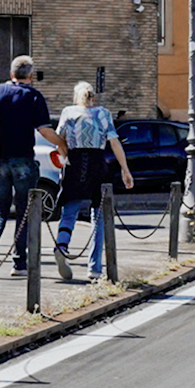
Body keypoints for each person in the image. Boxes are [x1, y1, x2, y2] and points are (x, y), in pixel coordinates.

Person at [0, 56, 66, 276]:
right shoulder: (33, 97)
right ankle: (19, 263)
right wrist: (62, 144)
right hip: (23, 160)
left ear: (11, 74)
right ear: (31, 76)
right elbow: (44, 131)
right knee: (24, 211)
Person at [53, 81, 133, 281]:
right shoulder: (103, 113)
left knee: (69, 210)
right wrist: (125, 169)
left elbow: (59, 140)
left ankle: (62, 246)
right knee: (97, 216)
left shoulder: (68, 112)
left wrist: (65, 155)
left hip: (75, 163)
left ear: (75, 96)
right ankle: (94, 267)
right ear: (93, 98)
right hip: (98, 164)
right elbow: (114, 143)